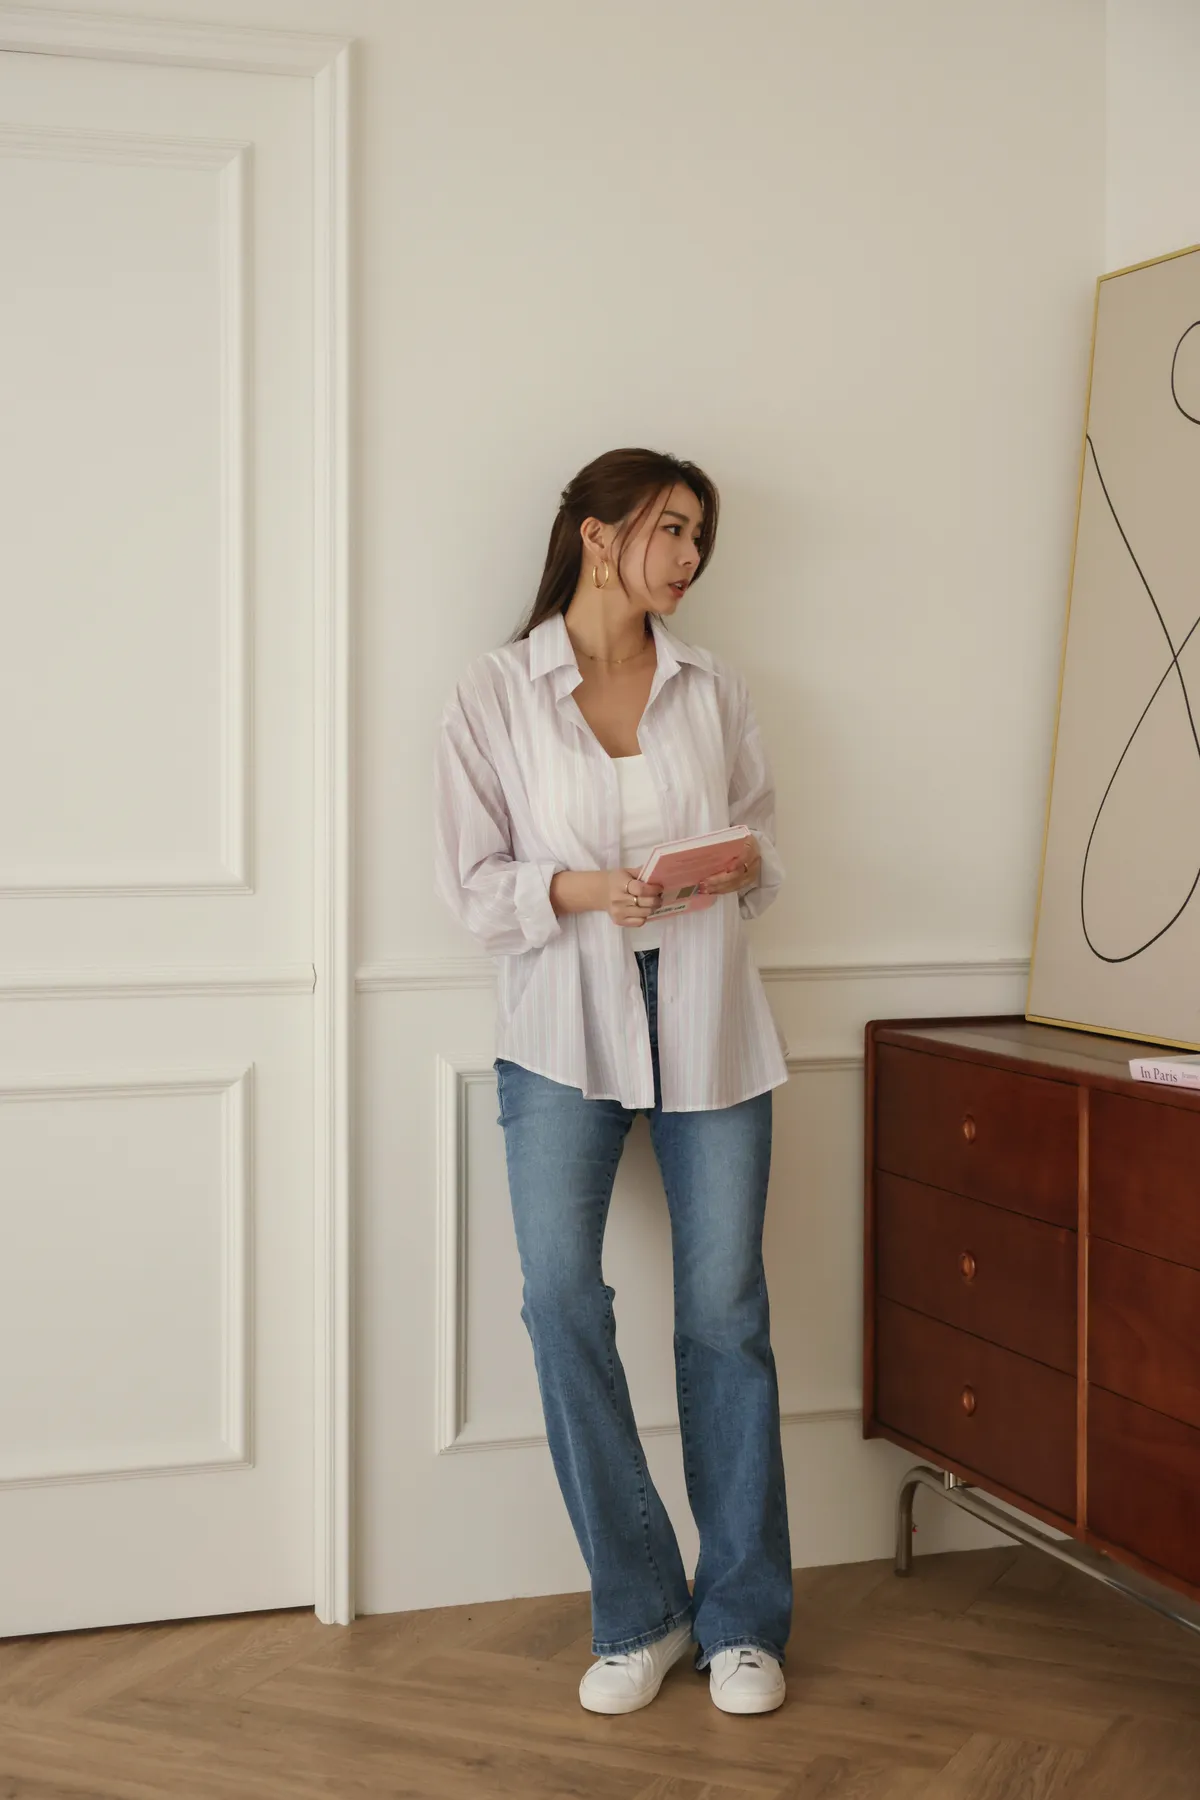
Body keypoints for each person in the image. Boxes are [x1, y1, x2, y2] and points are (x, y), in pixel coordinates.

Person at [433, 448, 792, 1717]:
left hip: (709, 1019)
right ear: (598, 534)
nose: (690, 557)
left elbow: (764, 839)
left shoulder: (713, 687)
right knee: (559, 1303)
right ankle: (643, 1610)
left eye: (700, 538)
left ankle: (743, 1622)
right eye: (672, 530)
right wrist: (589, 891)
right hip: (560, 1030)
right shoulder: (493, 692)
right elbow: (471, 886)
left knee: (725, 1320)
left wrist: (732, 866)